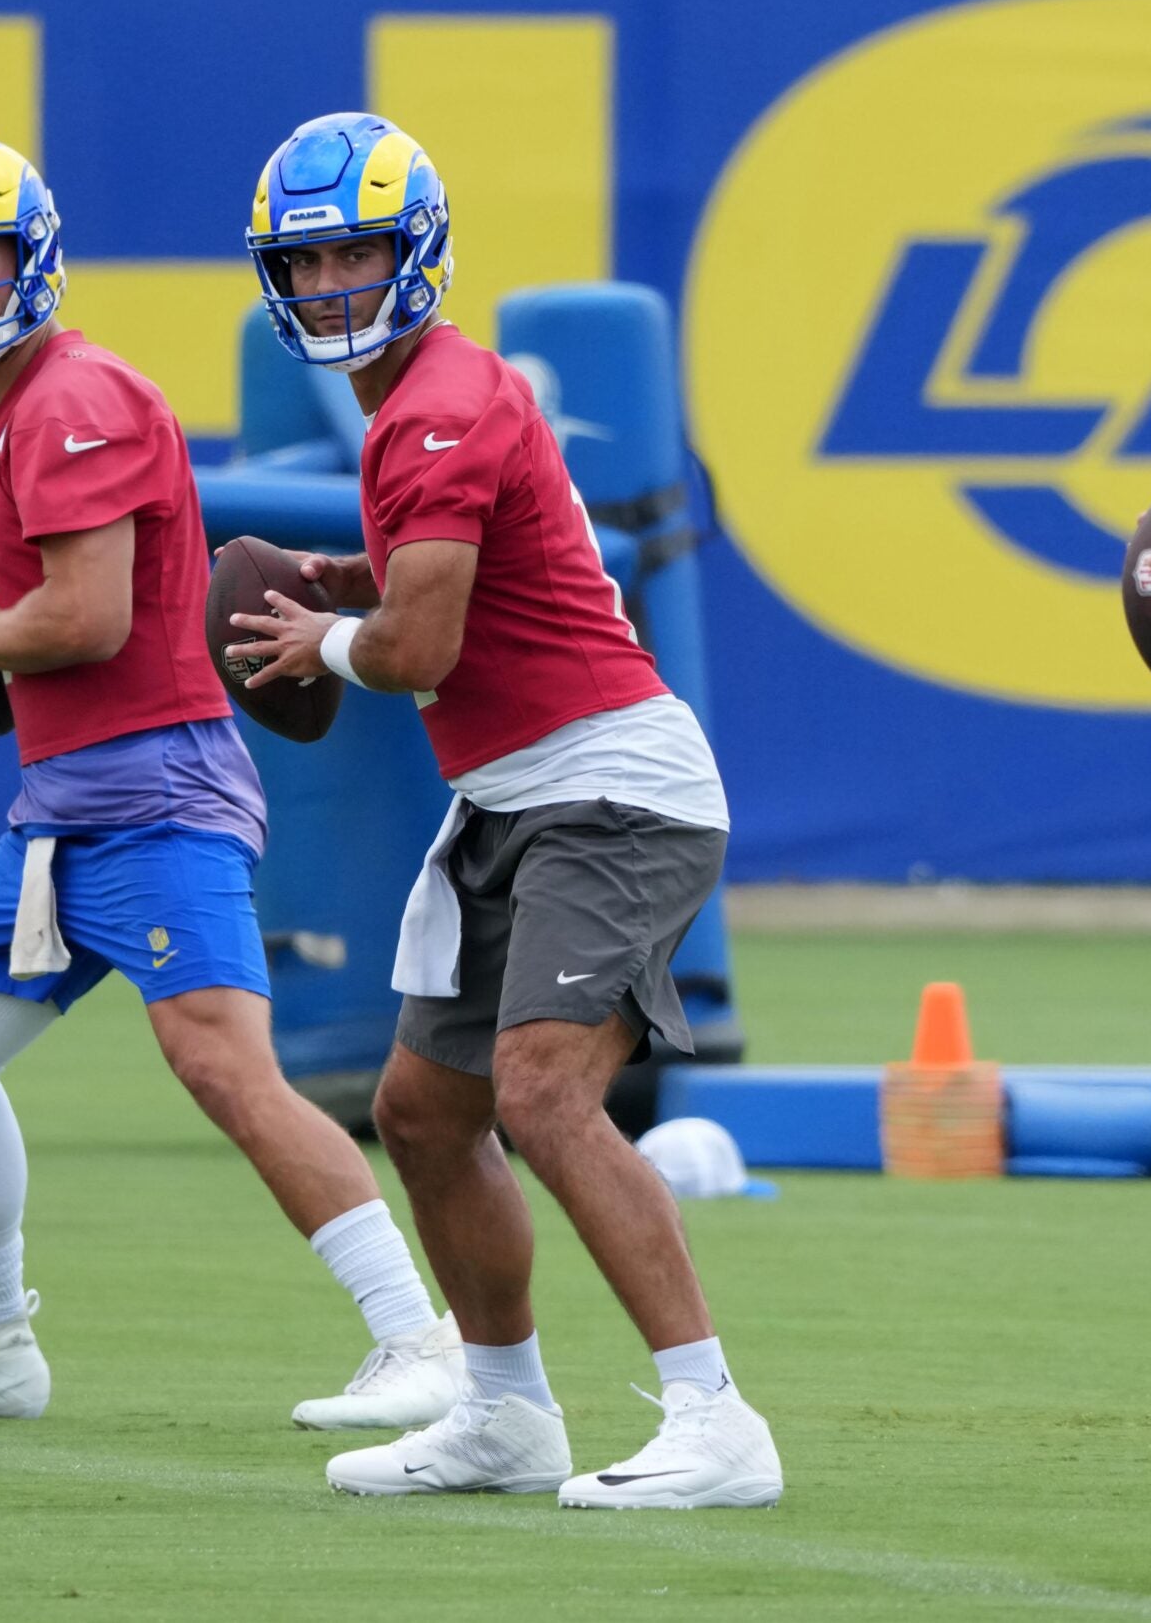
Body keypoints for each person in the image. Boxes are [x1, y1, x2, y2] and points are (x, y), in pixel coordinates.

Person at [0, 132, 460, 1436]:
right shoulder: (19, 405)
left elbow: (91, 618)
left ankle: (419, 1335)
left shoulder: (66, 399)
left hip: (155, 794)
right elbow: (68, 619)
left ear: (32, 248)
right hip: (67, 800)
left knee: (225, 1067)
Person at [223, 112, 783, 1509]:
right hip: (515, 794)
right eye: (308, 258)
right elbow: (456, 570)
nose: (333, 280)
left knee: (541, 1091)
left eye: (356, 248)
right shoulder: (420, 399)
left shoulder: (442, 401)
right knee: (421, 1110)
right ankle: (504, 1407)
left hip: (612, 789)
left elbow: (419, 652)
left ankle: (715, 1415)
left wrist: (323, 642)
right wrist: (346, 578)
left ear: (417, 250)